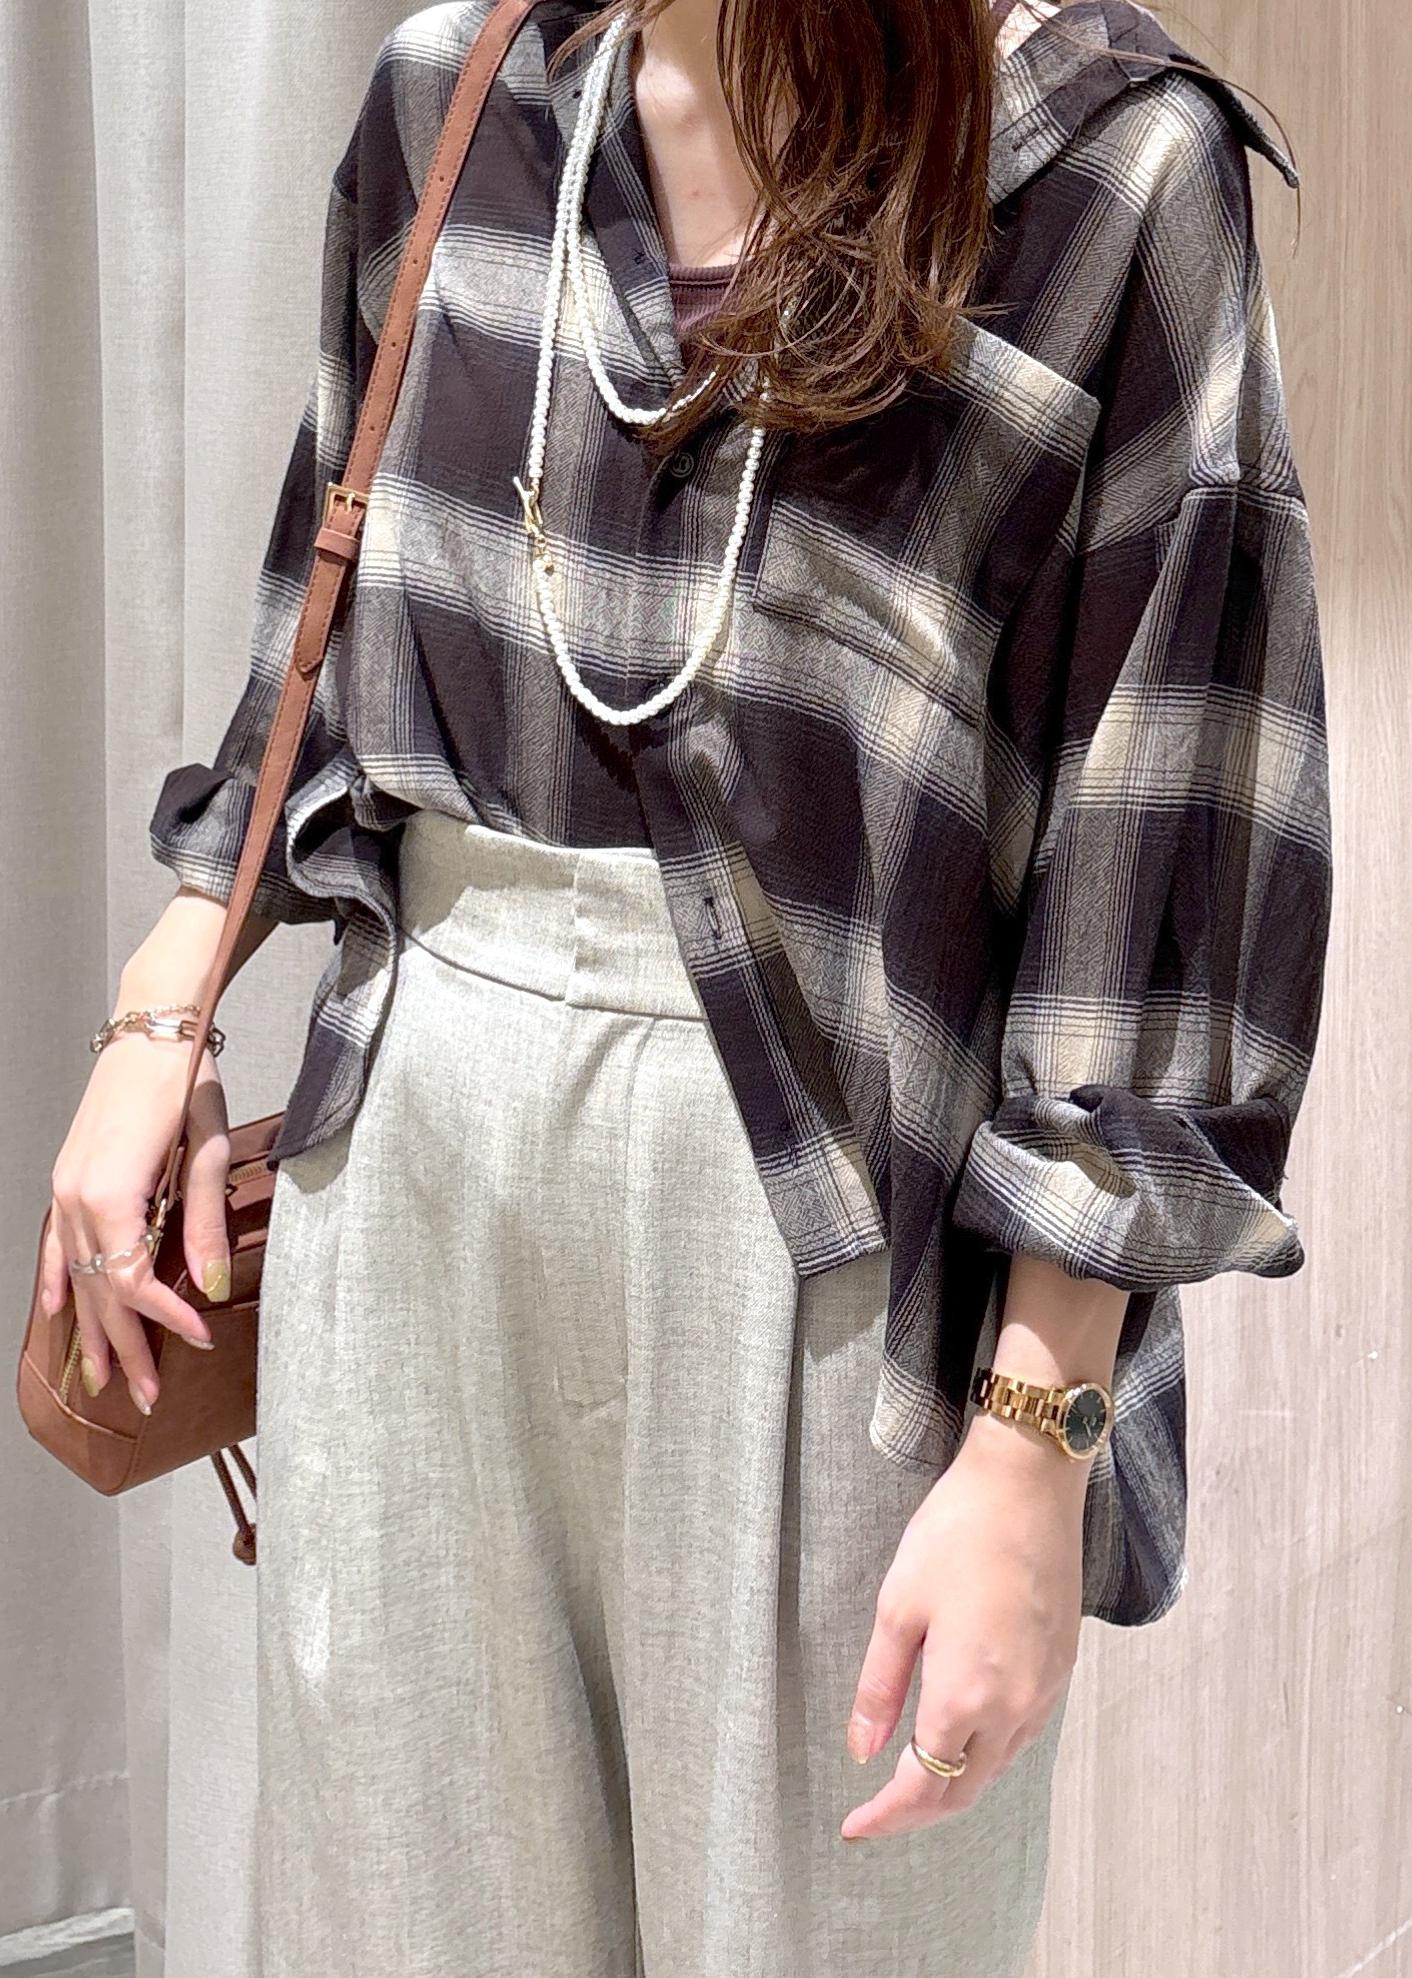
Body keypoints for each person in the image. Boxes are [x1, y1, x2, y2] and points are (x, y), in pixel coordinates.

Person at [40, 0, 1332, 1970]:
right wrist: (167, 1000)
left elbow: (1160, 832)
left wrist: (1031, 1436)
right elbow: (321, 608)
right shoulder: (459, 95)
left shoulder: (1100, 162)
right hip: (412, 1153)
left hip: (828, 1210)